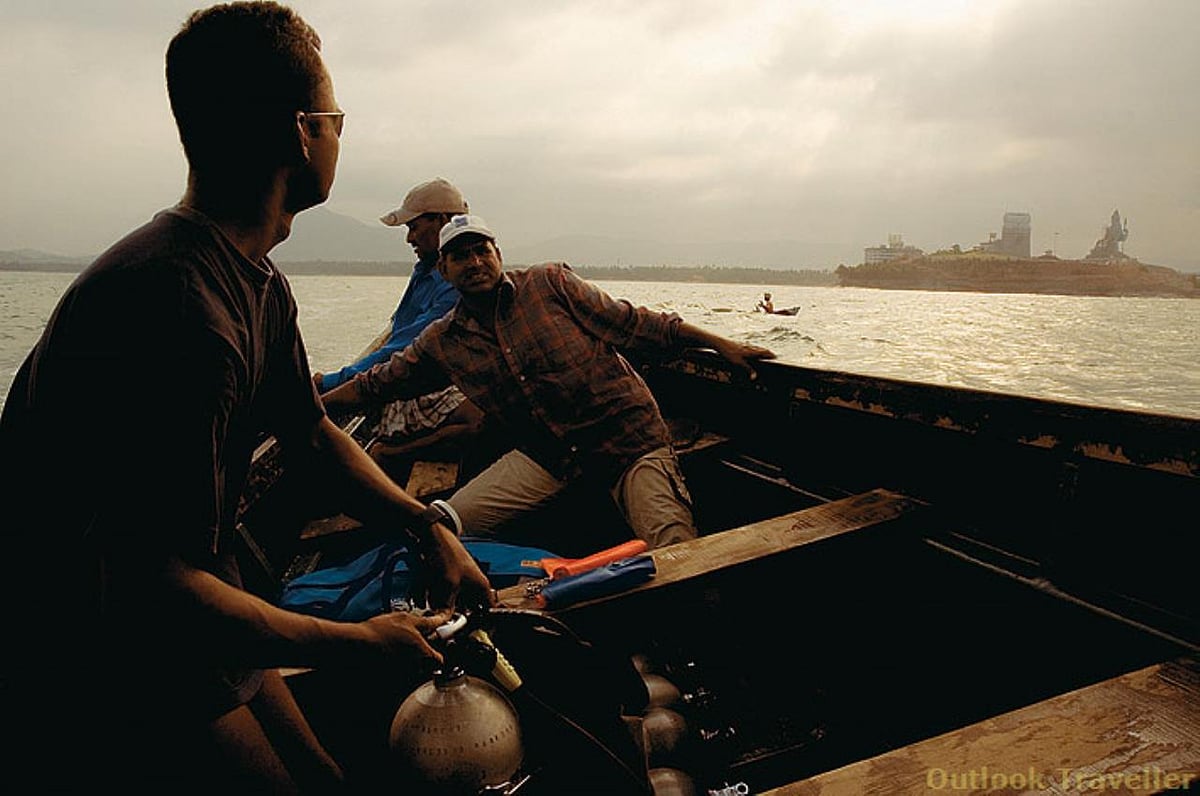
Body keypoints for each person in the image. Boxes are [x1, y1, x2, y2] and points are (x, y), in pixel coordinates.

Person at [0, 4, 491, 792]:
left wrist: (428, 527)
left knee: (324, 777)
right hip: (94, 640)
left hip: (190, 600)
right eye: (335, 116)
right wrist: (357, 640)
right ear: (302, 133)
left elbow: (310, 431)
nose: (339, 134)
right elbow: (153, 584)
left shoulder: (255, 279)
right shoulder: (176, 308)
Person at [321, 215, 777, 551]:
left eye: (483, 251)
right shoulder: (443, 341)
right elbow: (378, 383)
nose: (475, 262)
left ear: (499, 255)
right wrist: (315, 403)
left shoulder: (550, 284)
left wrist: (722, 345)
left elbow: (639, 325)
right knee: (442, 528)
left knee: (675, 548)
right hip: (549, 455)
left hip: (627, 441)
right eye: (461, 256)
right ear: (444, 270)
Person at [311, 178, 483, 467]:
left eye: (414, 227)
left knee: (483, 418)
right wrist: (331, 382)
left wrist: (329, 381)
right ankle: (386, 454)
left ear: (441, 222)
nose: (410, 238)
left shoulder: (453, 280)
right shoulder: (428, 269)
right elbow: (401, 346)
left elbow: (402, 345)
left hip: (419, 382)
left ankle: (387, 454)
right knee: (482, 419)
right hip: (405, 383)